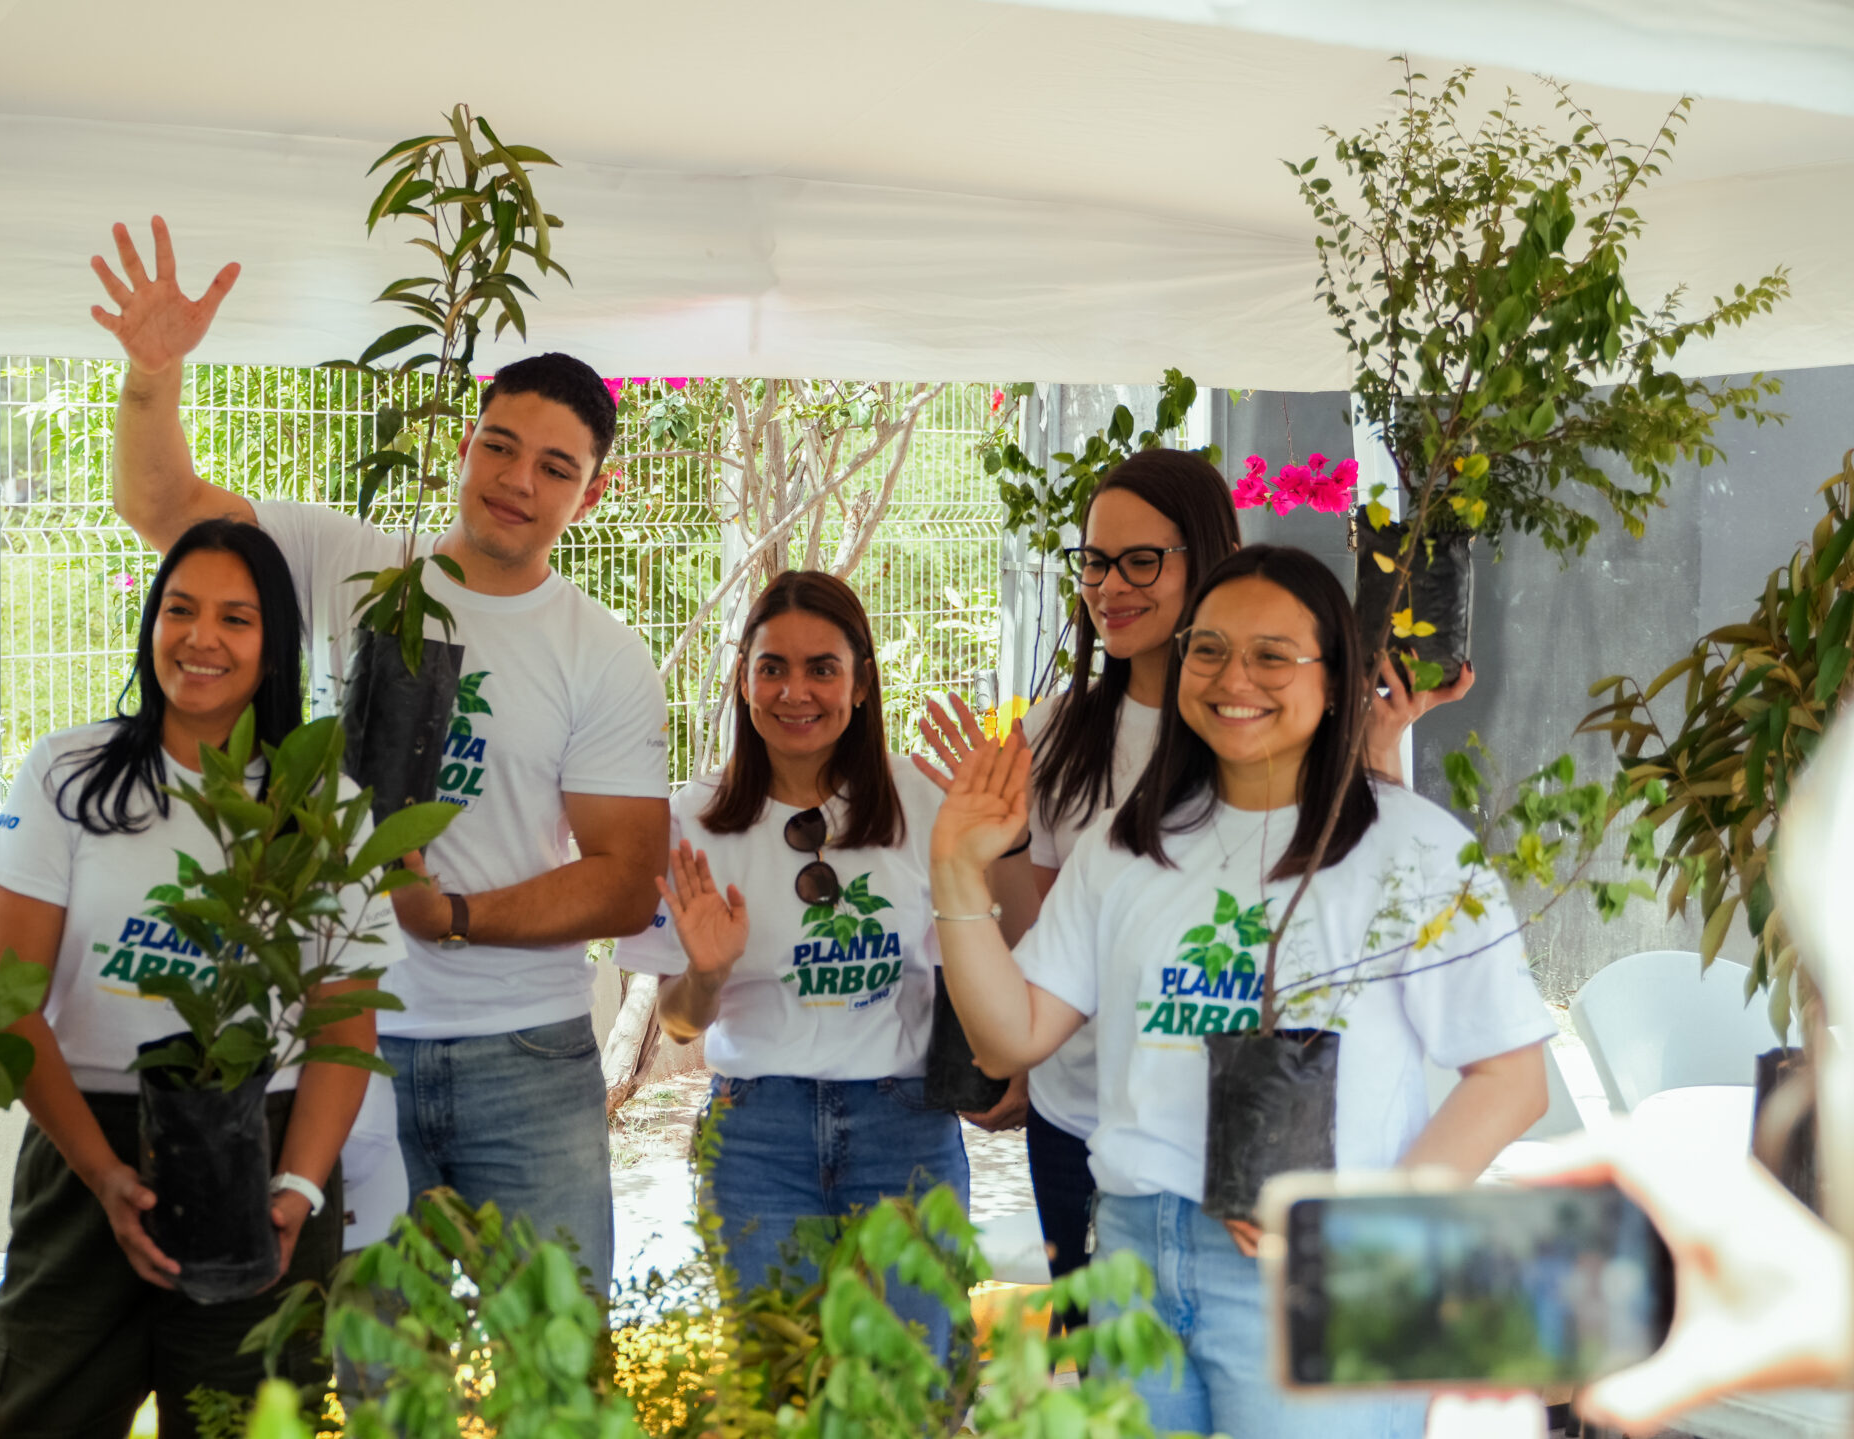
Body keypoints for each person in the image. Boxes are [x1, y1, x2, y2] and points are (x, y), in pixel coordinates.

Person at [90, 218, 669, 1277]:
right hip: (344, 1039)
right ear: (466, 441)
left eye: (555, 467)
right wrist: (152, 377)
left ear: (591, 492)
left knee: (551, 1345)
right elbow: (162, 507)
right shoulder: (346, 561)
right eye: (500, 445)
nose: (517, 479)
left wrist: (452, 914)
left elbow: (627, 880)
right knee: (375, 1348)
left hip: (524, 1049)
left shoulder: (603, 652)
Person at [927, 544, 1551, 1439]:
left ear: (1335, 681)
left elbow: (1512, 1078)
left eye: (1272, 655)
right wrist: (957, 872)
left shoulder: (1415, 849)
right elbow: (1010, 1037)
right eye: (1209, 650)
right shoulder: (1127, 845)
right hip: (1135, 1257)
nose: (1233, 678)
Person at [918, 449, 1469, 1300]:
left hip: (1248, 1128)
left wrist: (1379, 746)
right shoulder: (1057, 733)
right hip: (1083, 1115)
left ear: (1213, 560)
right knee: (1107, 1363)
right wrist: (993, 857)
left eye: (1142, 560)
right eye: (1096, 561)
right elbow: (1043, 953)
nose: (1111, 586)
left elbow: (1363, 904)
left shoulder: (1274, 730)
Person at [0, 518, 385, 1439]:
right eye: (179, 609)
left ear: (274, 646)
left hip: (261, 1148)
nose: (201, 637)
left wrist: (297, 1189)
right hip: (88, 1143)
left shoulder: (322, 804)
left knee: (243, 1422)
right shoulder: (69, 775)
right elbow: (7, 1001)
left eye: (236, 618)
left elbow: (344, 1026)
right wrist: (104, 1174)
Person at [618, 571, 968, 1350]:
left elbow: (973, 964)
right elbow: (679, 1023)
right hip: (757, 1135)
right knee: (777, 1387)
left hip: (904, 1129)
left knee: (911, 1384)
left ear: (862, 682)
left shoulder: (922, 801)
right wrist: (707, 972)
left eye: (822, 668)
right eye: (772, 667)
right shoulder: (692, 821)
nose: (795, 691)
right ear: (744, 679)